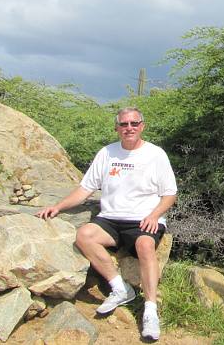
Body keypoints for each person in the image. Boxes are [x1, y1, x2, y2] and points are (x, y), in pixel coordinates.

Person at [36, 107, 177, 341]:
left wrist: (154, 216)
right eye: (123, 124)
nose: (129, 128)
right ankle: (121, 288)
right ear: (116, 128)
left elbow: (170, 194)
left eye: (134, 123)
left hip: (143, 219)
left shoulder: (156, 154)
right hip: (111, 218)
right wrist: (58, 207)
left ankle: (150, 310)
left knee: (144, 246)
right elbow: (85, 189)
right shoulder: (107, 153)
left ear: (142, 126)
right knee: (84, 235)